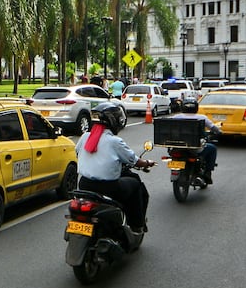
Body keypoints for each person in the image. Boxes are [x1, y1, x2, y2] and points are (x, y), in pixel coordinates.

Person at [75, 101, 152, 233]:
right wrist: (147, 163)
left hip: (84, 184)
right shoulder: (114, 142)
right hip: (108, 188)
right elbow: (134, 160)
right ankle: (137, 224)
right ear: (115, 121)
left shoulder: (85, 136)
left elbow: (78, 151)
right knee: (135, 184)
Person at [169, 100, 221, 183]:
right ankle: (208, 172)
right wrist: (218, 132)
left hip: (177, 146)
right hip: (195, 147)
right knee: (213, 148)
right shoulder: (202, 117)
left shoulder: (175, 117)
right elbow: (213, 127)